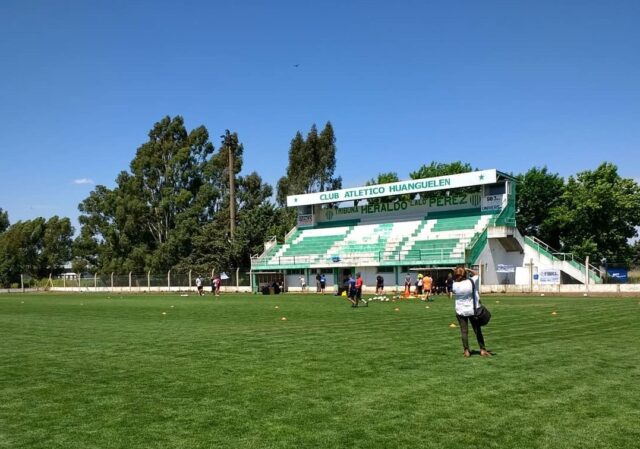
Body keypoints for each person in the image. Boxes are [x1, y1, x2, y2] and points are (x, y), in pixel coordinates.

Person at [451, 266, 490, 358]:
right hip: (473, 310)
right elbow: (477, 274)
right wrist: (468, 270)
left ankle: (466, 351)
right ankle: (482, 349)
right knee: (477, 331)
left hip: (460, 310)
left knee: (464, 332)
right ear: (465, 274)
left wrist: (456, 272)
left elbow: (455, 279)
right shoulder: (471, 282)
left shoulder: (454, 285)